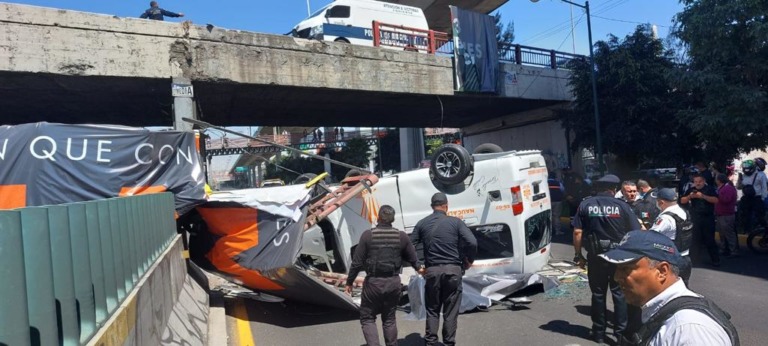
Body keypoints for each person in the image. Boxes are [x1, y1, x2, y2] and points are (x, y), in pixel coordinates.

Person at [601, 231, 739, 346]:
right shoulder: (658, 311)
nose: (616, 277)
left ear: (662, 271)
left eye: (626, 269)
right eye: (617, 269)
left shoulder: (690, 330)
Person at [572, 174, 642, 344]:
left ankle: (598, 333)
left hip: (596, 257)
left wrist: (578, 255)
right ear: (614, 190)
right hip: (618, 258)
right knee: (619, 294)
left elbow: (577, 232)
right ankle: (620, 334)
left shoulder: (586, 204)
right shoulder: (622, 206)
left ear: (597, 188)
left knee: (597, 294)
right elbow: (635, 231)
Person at [345, 205, 420, 346]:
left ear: (378, 217)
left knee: (367, 318)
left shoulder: (368, 235)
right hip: (393, 282)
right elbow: (414, 259)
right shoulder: (402, 236)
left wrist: (349, 282)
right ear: (393, 219)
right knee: (389, 319)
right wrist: (421, 269)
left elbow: (356, 262)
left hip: (373, 283)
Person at [412, 193, 477, 346]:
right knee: (450, 311)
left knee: (433, 310)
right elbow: (472, 242)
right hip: (453, 271)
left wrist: (418, 266)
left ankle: (431, 342)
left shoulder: (422, 223)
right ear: (447, 206)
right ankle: (448, 343)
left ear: (431, 206)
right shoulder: (456, 222)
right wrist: (469, 260)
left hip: (432, 272)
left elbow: (409, 245)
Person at [649, 188, 693, 286]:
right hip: (685, 259)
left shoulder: (666, 218)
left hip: (671, 260)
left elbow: (651, 236)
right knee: (682, 289)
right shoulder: (683, 212)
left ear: (661, 202)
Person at [681, 173, 720, 266]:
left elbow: (716, 200)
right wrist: (689, 196)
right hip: (695, 218)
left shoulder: (710, 189)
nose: (698, 183)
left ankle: (716, 260)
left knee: (709, 239)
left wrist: (702, 196)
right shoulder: (691, 190)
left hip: (708, 218)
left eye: (699, 181)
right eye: (696, 182)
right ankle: (694, 260)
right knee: (694, 240)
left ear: (703, 181)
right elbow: (682, 200)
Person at [736, 159, 768, 233]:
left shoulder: (761, 175)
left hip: (757, 198)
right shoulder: (743, 176)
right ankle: (746, 230)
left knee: (759, 215)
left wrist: (763, 199)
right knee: (745, 215)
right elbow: (738, 187)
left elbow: (764, 188)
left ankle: (763, 230)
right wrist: (739, 180)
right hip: (746, 198)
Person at [715, 173, 739, 257]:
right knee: (722, 233)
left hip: (727, 214)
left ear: (719, 180)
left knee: (729, 233)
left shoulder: (728, 188)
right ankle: (724, 248)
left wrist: (718, 195)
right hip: (721, 213)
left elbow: (726, 200)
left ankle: (733, 251)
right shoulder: (722, 188)